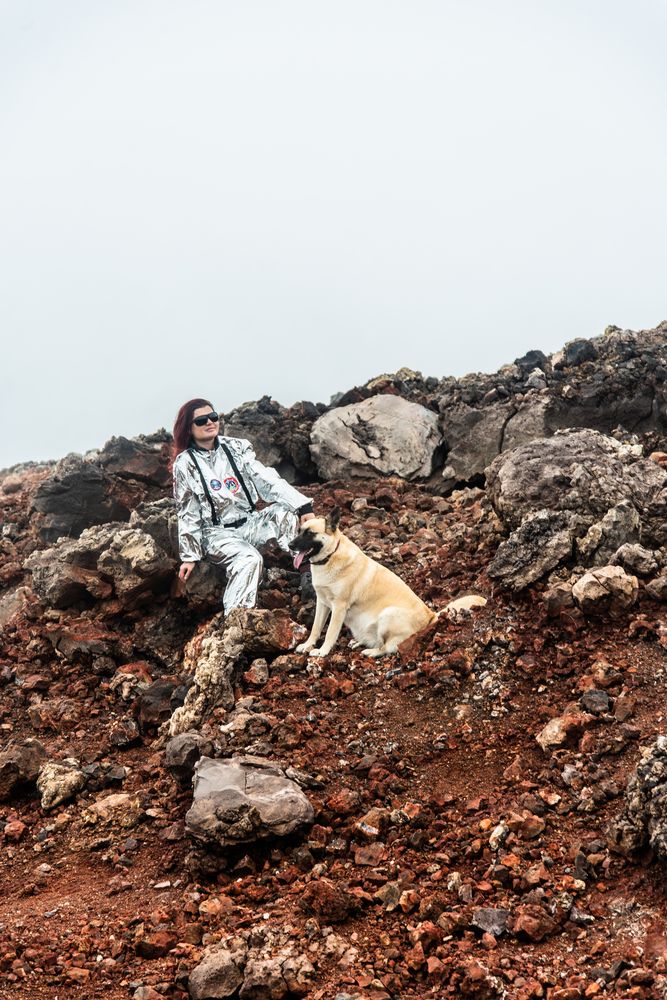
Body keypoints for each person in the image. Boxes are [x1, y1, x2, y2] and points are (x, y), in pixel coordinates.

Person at [172, 398, 315, 614]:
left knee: (285, 512)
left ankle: (309, 573)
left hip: (250, 522)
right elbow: (187, 511)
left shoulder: (236, 447)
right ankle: (237, 617)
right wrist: (189, 557)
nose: (210, 422)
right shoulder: (185, 464)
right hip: (217, 534)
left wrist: (302, 506)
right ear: (188, 428)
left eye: (213, 417)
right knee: (249, 559)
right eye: (201, 420)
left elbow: (266, 479)